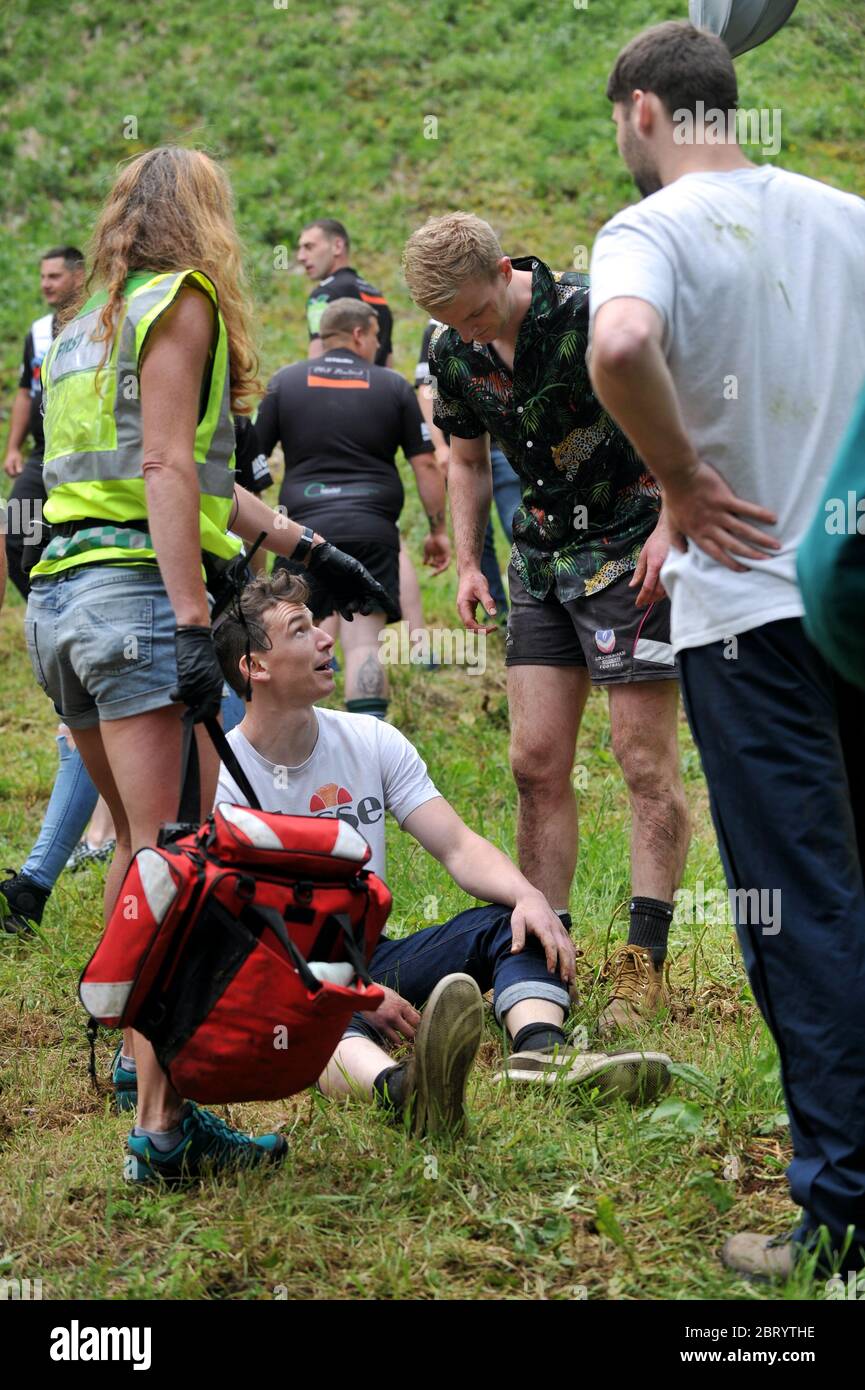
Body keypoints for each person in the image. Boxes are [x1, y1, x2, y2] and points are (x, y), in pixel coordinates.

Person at [25, 145, 390, 1184]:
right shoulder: (179, 299)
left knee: (144, 846)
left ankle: (134, 1057)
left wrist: (304, 547)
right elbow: (165, 467)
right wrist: (195, 622)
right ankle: (164, 1126)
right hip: (138, 602)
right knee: (181, 862)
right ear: (202, 216)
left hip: (61, 606)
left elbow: (196, 473)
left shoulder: (88, 320)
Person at [587, 20, 865, 1278]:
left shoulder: (647, 231)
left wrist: (681, 477)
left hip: (751, 619)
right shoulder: (842, 213)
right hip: (851, 593)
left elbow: (621, 344)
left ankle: (844, 1212)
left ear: (642, 112)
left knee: (800, 905)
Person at [206, 568, 673, 1127]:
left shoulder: (369, 740)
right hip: (284, 969)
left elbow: (456, 847)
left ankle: (542, 1051)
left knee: (511, 920)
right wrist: (350, 991)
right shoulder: (222, 779)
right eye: (301, 630)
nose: (327, 638)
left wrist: (528, 896)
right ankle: (402, 1091)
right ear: (255, 667)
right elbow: (240, 930)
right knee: (308, 1011)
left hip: (374, 954)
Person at [402, 214, 690, 1036]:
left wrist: (675, 521)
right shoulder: (452, 348)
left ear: (504, 270)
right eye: (451, 322)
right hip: (538, 562)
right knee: (532, 764)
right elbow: (460, 458)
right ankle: (540, 957)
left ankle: (642, 963)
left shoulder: (595, 314)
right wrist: (466, 561)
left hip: (632, 547)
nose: (467, 332)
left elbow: (685, 413)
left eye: (477, 314)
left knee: (642, 761)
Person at [0, 416, 273, 937]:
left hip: (55, 598)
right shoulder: (180, 360)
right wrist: (204, 616)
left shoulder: (80, 372)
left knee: (134, 835)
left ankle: (121, 996)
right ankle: (151, 1012)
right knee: (167, 838)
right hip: (139, 596)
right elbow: (188, 480)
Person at [255, 298, 450, 721]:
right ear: (360, 334)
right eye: (377, 337)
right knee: (364, 642)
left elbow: (252, 463)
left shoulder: (285, 383)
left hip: (299, 531)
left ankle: (299, 740)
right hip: (371, 530)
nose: (379, 346)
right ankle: (366, 734)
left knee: (296, 635)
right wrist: (438, 529)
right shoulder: (392, 385)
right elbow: (427, 463)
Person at [297, 216, 425, 633]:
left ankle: (323, 644)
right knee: (386, 533)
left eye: (309, 246)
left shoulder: (327, 294)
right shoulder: (375, 294)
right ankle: (418, 638)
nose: (300, 257)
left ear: (338, 247)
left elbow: (320, 363)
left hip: (333, 419)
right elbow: (384, 362)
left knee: (320, 542)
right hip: (380, 410)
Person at [415, 316, 521, 622]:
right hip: (463, 447)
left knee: (516, 520)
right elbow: (427, 388)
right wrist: (440, 445)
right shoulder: (436, 330)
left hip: (504, 447)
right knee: (476, 534)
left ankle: (539, 598)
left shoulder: (497, 314)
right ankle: (497, 613)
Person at [3, 246, 85, 599]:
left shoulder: (95, 324)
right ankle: (47, 604)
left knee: (76, 533)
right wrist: (12, 447)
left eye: (54, 276)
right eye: (42, 277)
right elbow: (25, 391)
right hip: (41, 454)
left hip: (82, 454)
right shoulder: (38, 332)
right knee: (17, 529)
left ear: (78, 276)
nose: (45, 285)